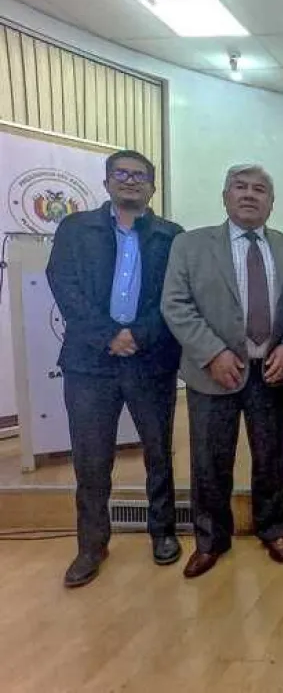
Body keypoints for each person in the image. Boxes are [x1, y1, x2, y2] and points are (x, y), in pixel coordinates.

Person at [161, 164, 283, 579]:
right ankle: (210, 540)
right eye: (240, 187)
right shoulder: (190, 246)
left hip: (272, 372)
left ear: (271, 202)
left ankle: (275, 528)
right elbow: (176, 304)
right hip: (213, 372)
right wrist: (212, 352)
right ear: (225, 197)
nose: (249, 194)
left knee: (271, 457)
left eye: (260, 189)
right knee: (209, 461)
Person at [47, 150, 183, 588]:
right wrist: (108, 334)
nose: (130, 181)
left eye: (140, 175)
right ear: (106, 182)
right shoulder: (76, 228)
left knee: (158, 453)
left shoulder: (170, 235)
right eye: (121, 174)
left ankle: (162, 533)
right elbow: (63, 284)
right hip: (90, 363)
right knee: (91, 460)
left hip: (151, 360)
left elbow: (174, 296)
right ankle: (91, 545)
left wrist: (138, 335)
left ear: (152, 186)